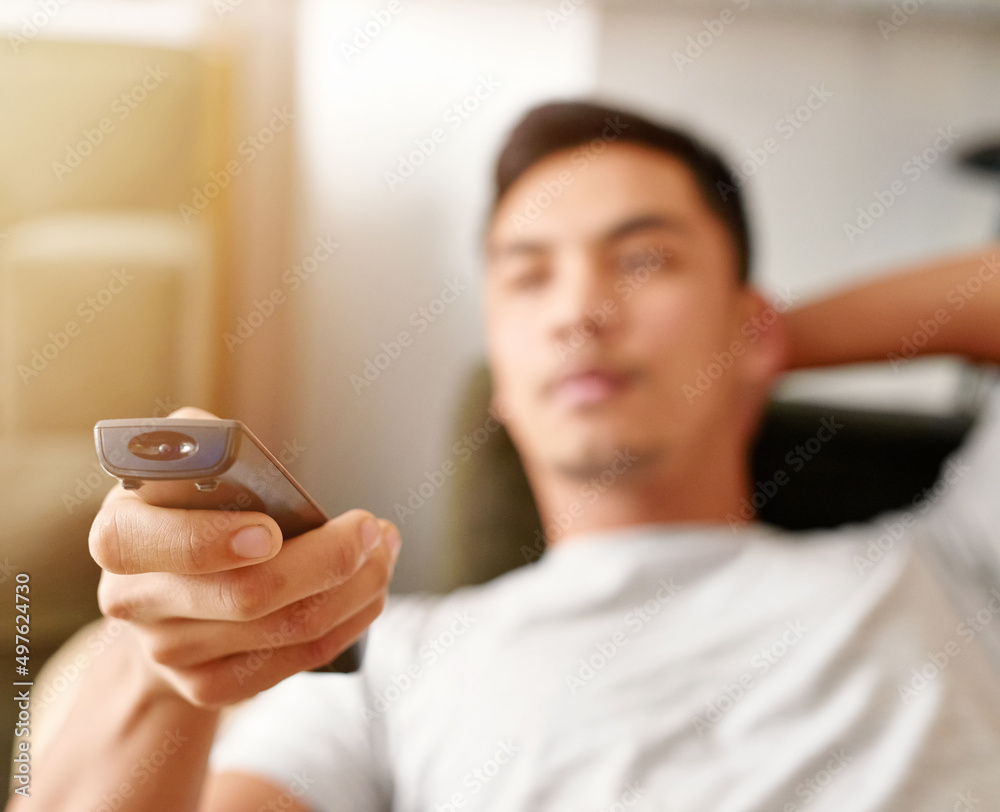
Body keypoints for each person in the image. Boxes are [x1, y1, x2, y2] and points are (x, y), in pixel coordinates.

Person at [11, 100, 1000, 812]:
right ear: (501, 383)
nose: (577, 309)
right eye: (528, 278)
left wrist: (767, 343)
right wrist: (156, 672)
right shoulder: (381, 657)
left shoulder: (950, 561)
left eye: (643, 257)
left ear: (751, 326)